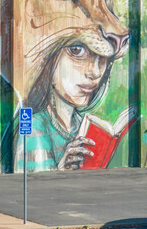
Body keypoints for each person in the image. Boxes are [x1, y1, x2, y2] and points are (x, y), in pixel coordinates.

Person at [14, 39, 110, 171]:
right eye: (76, 50)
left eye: (103, 57)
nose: (95, 72)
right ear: (47, 59)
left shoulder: (83, 124)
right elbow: (35, 187)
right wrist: (61, 170)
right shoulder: (33, 126)